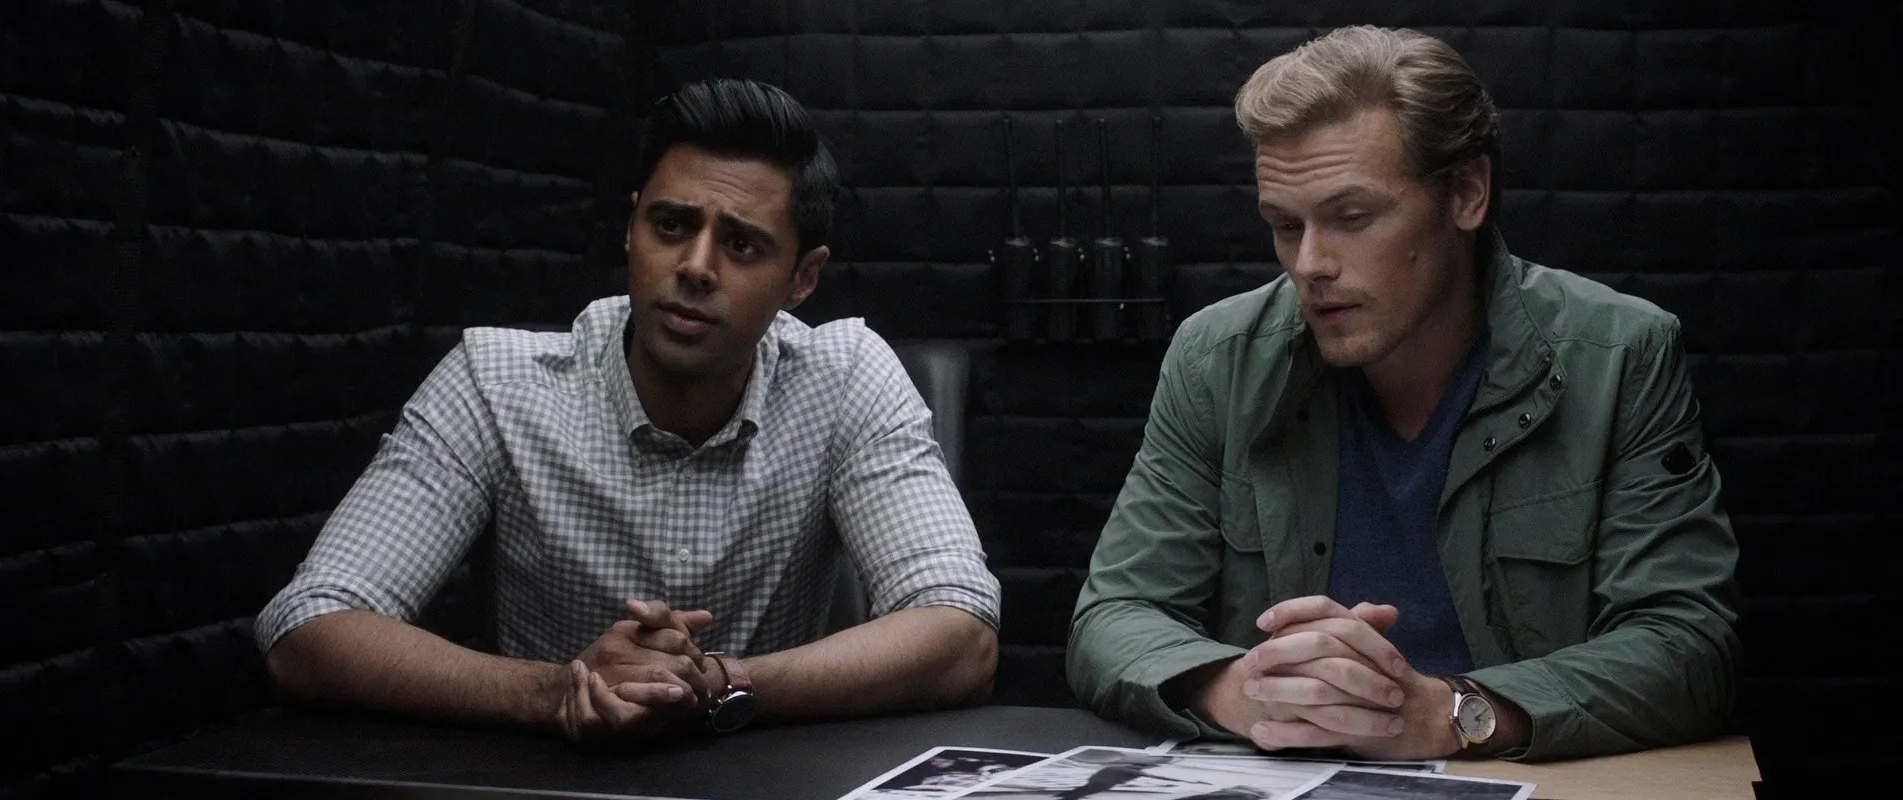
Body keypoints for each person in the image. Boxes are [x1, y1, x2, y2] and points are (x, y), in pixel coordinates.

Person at [255, 78, 1000, 744]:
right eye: (671, 225)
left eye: (741, 244)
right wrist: (558, 692)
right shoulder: (494, 381)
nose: (695, 267)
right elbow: (309, 628)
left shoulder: (847, 377)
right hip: (542, 784)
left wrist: (722, 683)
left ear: (803, 278)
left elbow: (962, 633)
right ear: (631, 226)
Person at [1067, 25, 1739, 763]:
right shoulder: (1217, 359)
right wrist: (1247, 690)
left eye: (1352, 217)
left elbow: (1688, 646)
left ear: (1467, 193)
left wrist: (1449, 712)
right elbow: (1114, 616)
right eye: (1285, 226)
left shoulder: (1619, 356)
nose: (1310, 263)